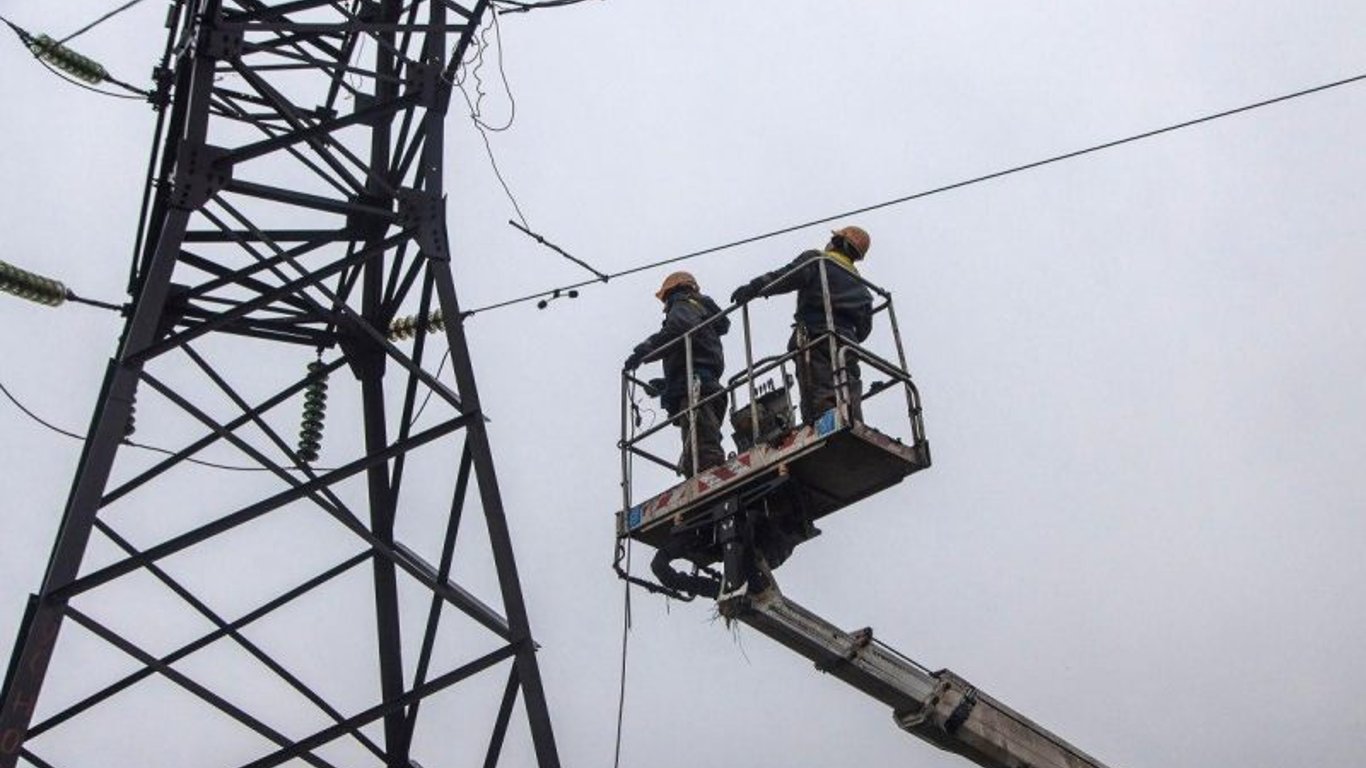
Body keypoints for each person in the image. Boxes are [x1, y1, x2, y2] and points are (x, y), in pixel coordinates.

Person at [730, 225, 874, 424]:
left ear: (837, 242)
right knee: (848, 384)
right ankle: (852, 422)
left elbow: (786, 277)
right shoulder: (862, 287)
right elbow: (865, 329)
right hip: (848, 343)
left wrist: (754, 287)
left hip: (815, 335)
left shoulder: (817, 261)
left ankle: (824, 424)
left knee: (818, 387)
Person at [625, 271, 731, 476]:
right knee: (698, 450)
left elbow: (678, 330)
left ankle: (711, 477)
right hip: (704, 386)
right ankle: (704, 474)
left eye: (666, 298)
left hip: (697, 389)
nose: (665, 305)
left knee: (704, 453)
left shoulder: (683, 304)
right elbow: (695, 355)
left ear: (673, 291)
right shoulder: (701, 313)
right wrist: (667, 385)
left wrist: (645, 350)